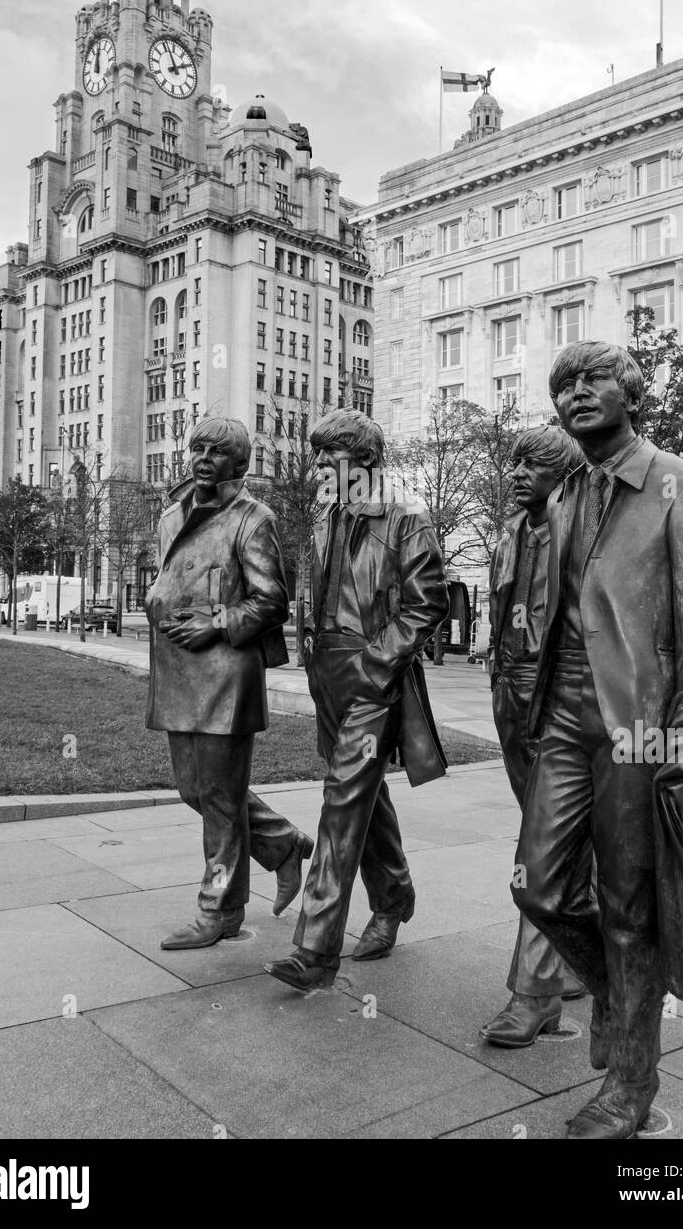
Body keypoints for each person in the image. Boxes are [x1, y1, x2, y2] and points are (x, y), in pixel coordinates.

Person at [514, 340, 683, 1139]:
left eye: (592, 379)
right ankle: (612, 986)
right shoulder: (567, 494)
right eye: (562, 383)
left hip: (639, 726)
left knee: (630, 906)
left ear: (631, 392)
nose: (575, 392)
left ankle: (631, 1086)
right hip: (565, 717)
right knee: (536, 886)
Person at [265, 410, 450, 991]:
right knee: (364, 795)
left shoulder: (405, 516)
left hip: (374, 677)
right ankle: (394, 897)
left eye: (329, 455)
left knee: (341, 801)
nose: (318, 465)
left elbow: (427, 602)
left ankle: (316, 950)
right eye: (317, 455)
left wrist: (377, 664)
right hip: (328, 677)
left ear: (363, 460)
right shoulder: (324, 517)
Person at [146, 415, 312, 950]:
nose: (203, 457)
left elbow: (271, 600)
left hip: (225, 675)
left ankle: (219, 909)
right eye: (197, 447)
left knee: (219, 799)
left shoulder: (252, 517)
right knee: (196, 790)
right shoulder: (171, 513)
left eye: (217, 452)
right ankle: (283, 844)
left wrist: (216, 622)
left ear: (238, 464)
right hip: (176, 669)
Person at [479, 423, 587, 1050]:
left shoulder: (586, 537)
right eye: (514, 464)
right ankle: (581, 953)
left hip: (565, 699)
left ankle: (536, 990)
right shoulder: (510, 535)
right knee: (556, 838)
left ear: (563, 474)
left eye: (531, 465)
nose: (516, 474)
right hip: (511, 694)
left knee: (540, 847)